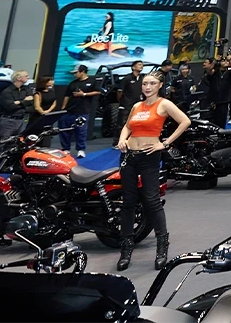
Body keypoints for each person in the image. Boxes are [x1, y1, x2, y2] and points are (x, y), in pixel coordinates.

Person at [115, 71, 191, 271]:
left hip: (149, 157)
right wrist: (122, 140)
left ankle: (162, 248)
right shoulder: (136, 106)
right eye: (145, 83)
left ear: (160, 85)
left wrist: (164, 143)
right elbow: (127, 127)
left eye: (152, 83)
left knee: (152, 201)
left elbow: (185, 121)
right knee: (128, 203)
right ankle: (126, 250)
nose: (147, 87)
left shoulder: (164, 104)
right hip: (129, 157)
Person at [0, 70, 34, 162]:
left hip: (21, 120)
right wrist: (24, 101)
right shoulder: (7, 92)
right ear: (19, 78)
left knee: (15, 145)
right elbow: (10, 107)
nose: (28, 77)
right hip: (8, 121)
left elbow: (31, 101)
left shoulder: (26, 89)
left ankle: (7, 164)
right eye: (26, 76)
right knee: (1, 144)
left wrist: (18, 102)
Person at [63, 66, 101, 158]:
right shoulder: (73, 83)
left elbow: (98, 92)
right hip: (69, 110)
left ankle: (81, 150)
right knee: (65, 130)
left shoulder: (92, 81)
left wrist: (83, 94)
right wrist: (63, 108)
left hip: (83, 111)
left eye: (76, 73)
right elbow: (67, 96)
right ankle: (66, 149)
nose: (74, 75)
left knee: (81, 131)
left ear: (82, 72)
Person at [114, 61, 146, 141]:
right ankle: (118, 141)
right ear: (133, 67)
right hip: (126, 105)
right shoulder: (127, 78)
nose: (141, 66)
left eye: (142, 65)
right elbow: (120, 92)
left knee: (137, 123)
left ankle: (132, 140)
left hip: (138, 105)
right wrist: (122, 102)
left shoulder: (142, 79)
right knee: (122, 123)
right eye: (139, 65)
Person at [206, 57, 231, 128]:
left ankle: (221, 131)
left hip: (224, 99)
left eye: (226, 61)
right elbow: (208, 69)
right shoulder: (215, 72)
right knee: (212, 118)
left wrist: (230, 60)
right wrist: (215, 61)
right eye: (223, 61)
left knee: (222, 119)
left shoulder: (229, 73)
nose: (225, 62)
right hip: (213, 98)